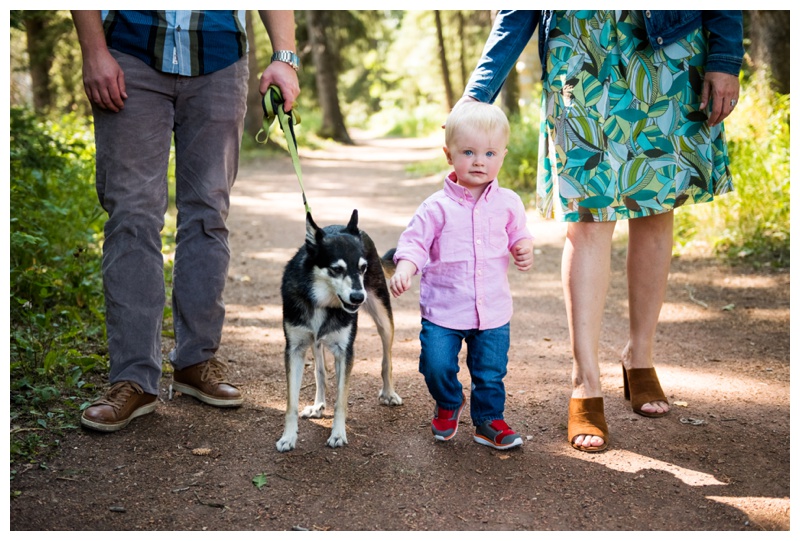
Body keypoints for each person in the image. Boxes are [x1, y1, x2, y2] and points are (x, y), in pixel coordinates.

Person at [461, 10, 743, 451]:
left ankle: (640, 357)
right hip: (577, 52)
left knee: (654, 207)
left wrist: (725, 56)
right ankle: (584, 381)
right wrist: (479, 91)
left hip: (666, 51)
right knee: (587, 216)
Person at [72, 10, 300, 432]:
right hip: (130, 50)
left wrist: (284, 56)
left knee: (208, 213)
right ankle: (133, 378)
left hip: (219, 56)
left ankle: (196, 362)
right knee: (131, 215)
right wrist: (93, 50)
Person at [390, 101, 534, 450]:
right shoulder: (435, 208)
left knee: (490, 373)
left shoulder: (509, 202)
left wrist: (523, 247)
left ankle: (488, 421)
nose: (479, 161)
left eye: (489, 152)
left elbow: (518, 233)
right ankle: (449, 401)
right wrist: (407, 268)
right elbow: (414, 244)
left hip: (493, 312)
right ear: (449, 154)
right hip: (444, 311)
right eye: (468, 152)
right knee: (436, 364)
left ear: (502, 155)